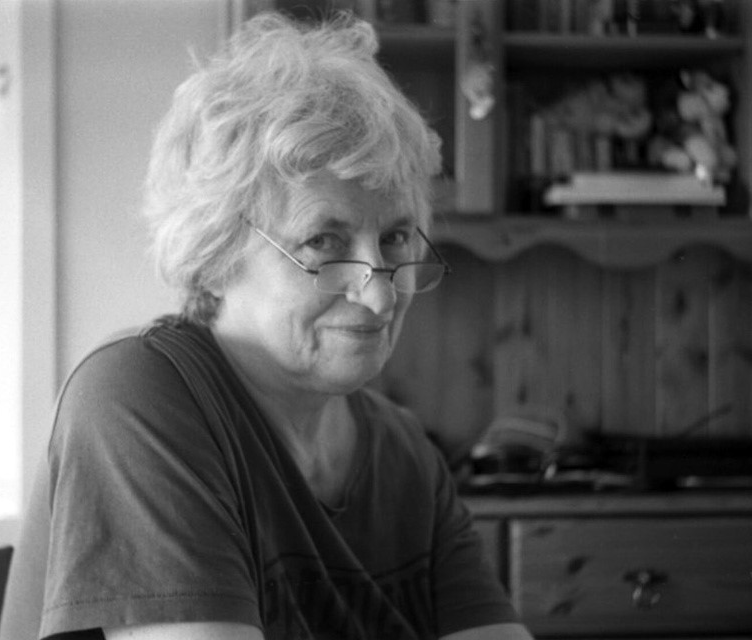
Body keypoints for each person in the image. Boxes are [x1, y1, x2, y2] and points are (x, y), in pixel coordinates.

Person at [30, 11, 532, 640]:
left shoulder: (405, 457)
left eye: (397, 236)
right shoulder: (137, 397)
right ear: (215, 253)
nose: (380, 297)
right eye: (324, 240)